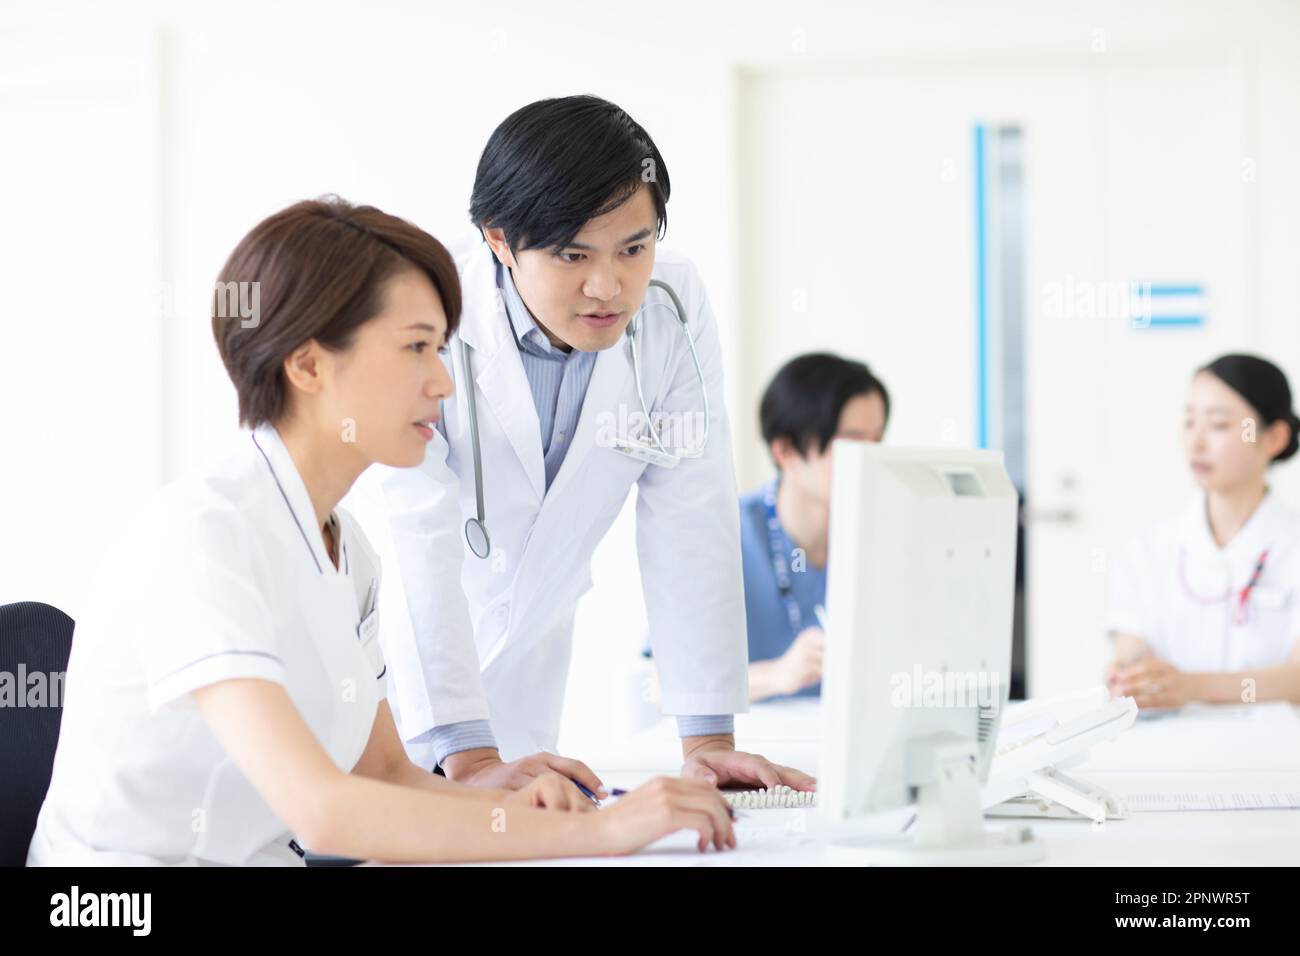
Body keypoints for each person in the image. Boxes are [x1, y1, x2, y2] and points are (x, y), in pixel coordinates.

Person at [27, 197, 735, 865]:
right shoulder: (207, 536)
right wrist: (608, 831)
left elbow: (388, 775)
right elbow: (324, 813)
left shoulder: (346, 552)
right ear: (307, 364)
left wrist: (520, 800)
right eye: (417, 348)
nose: (444, 382)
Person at [348, 95, 814, 794]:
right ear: (499, 240)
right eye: (573, 255)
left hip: (524, 699)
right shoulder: (429, 313)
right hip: (385, 687)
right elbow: (417, 536)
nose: (610, 286)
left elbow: (691, 516)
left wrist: (708, 738)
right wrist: (468, 755)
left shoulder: (674, 307)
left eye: (635, 248)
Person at [1105, 353, 1300, 708]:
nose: (1195, 443)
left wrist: (1190, 687)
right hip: (1170, 746)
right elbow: (1131, 645)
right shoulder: (1149, 547)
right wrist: (1130, 674)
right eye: (1189, 421)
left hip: (1276, 751)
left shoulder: (1292, 546)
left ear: (1274, 438)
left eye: (1219, 425)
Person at [742, 354, 889, 701]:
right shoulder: (724, 535)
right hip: (755, 746)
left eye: (877, 441)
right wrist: (777, 676)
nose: (870, 460)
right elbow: (662, 684)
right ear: (786, 450)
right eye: (851, 443)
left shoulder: (886, 532)